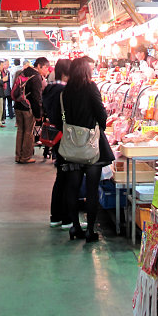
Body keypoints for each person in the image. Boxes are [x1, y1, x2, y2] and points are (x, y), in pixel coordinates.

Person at [52, 56, 114, 243]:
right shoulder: (91, 87)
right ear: (86, 71)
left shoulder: (65, 92)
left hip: (71, 147)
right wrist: (97, 126)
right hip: (91, 147)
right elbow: (101, 114)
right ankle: (90, 231)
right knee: (92, 189)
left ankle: (75, 227)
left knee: (72, 187)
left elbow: (57, 119)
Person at [42, 58, 72, 228]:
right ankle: (67, 218)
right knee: (67, 177)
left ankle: (56, 216)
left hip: (55, 137)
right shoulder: (63, 91)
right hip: (65, 137)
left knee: (61, 176)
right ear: (67, 73)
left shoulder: (50, 89)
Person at [13, 56, 47, 164]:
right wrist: (38, 114)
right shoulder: (36, 77)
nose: (46, 70)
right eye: (45, 67)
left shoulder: (22, 72)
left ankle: (18, 156)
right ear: (39, 66)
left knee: (20, 131)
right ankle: (26, 157)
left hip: (18, 106)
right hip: (28, 108)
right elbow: (36, 98)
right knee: (28, 132)